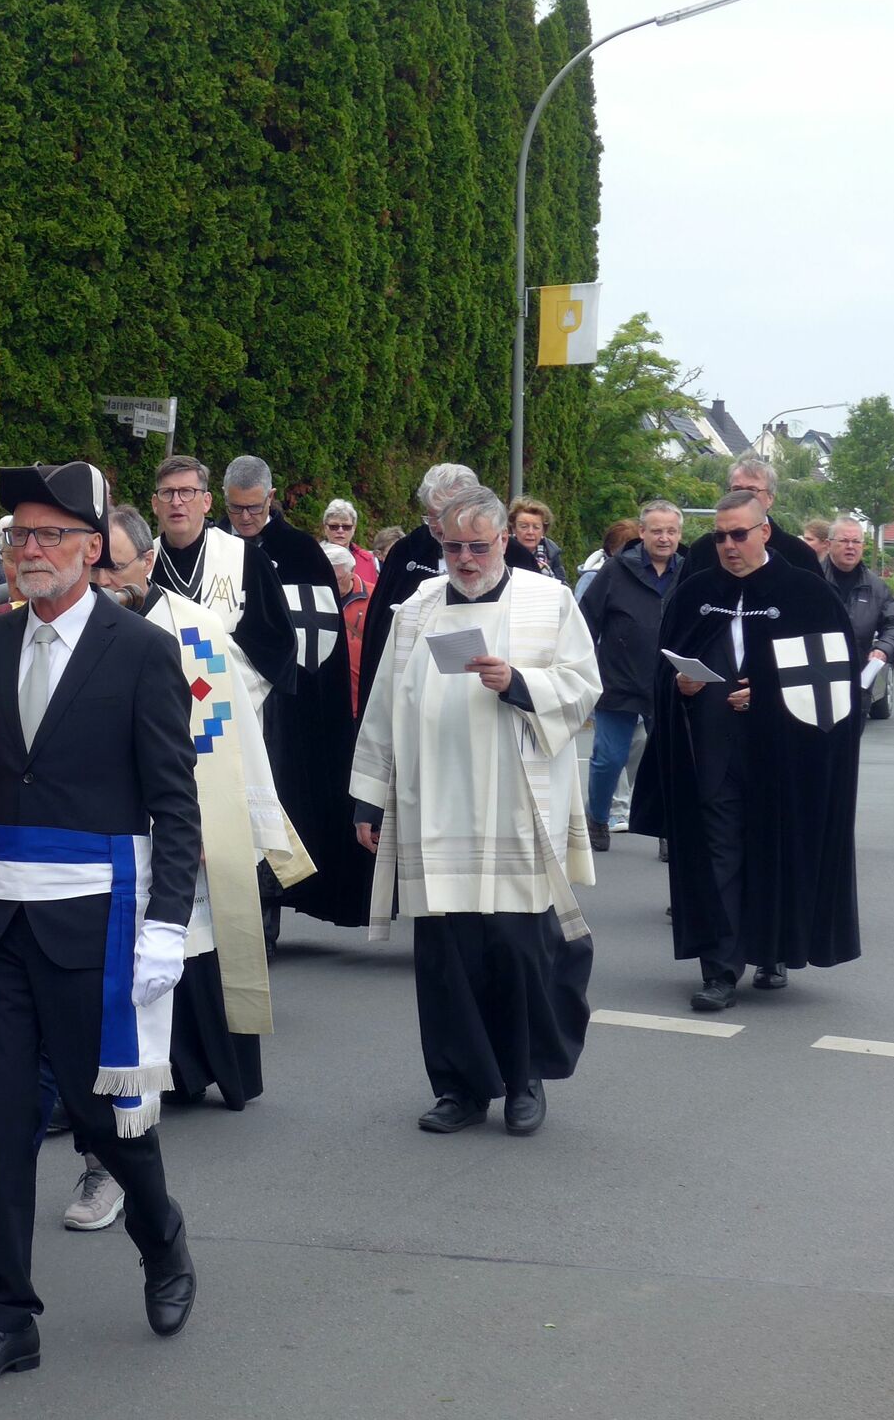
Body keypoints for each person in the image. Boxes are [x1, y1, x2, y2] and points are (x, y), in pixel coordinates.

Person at [0, 460, 202, 1387]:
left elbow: (174, 802)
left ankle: (160, 1235)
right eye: (18, 535)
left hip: (96, 921)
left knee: (103, 1115)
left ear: (90, 549)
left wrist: (167, 923)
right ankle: (9, 1316)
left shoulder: (139, 650)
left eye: (48, 535)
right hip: (0, 919)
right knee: (2, 1115)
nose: (29, 550)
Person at [350, 487, 599, 1137]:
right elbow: (384, 702)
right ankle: (459, 1086)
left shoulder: (549, 601)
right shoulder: (417, 609)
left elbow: (583, 686)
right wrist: (369, 794)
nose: (464, 559)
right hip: (435, 805)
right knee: (446, 957)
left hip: (515, 804)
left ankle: (524, 1080)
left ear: (504, 542)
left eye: (478, 547)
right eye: (453, 546)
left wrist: (519, 682)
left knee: (518, 950)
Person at [631, 491, 863, 1011]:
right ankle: (719, 969)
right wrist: (680, 686)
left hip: (784, 757)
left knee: (773, 851)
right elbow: (663, 672)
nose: (729, 545)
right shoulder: (697, 593)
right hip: (712, 753)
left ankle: (772, 952)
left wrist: (771, 696)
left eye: (738, 534)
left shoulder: (806, 593)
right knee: (718, 856)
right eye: (719, 536)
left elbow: (834, 683)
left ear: (764, 532)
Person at [100, 504, 294, 1110]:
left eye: (115, 566)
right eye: (93, 566)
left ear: (148, 561)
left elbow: (227, 732)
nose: (103, 579)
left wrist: (218, 820)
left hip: (181, 810)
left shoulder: (195, 629)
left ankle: (199, 1068)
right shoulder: (73, 627)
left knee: (194, 942)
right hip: (103, 817)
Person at [222, 454, 369, 936]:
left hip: (285, 704)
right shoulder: (214, 548)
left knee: (278, 797)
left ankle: (268, 908)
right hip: (223, 695)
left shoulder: (302, 552)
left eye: (254, 507)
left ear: (270, 497)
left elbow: (319, 635)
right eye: (236, 508)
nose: (246, 517)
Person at [149, 454, 295, 715]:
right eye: (167, 493)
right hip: (157, 708)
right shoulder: (143, 563)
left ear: (206, 501)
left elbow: (278, 644)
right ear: (155, 504)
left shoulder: (247, 559)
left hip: (226, 712)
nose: (176, 501)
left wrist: (213, 680)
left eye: (187, 492)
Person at [578, 501, 684, 851]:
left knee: (670, 760)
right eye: (657, 531)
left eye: (671, 531)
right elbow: (585, 623)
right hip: (619, 680)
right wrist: (584, 671)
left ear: (679, 534)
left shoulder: (689, 572)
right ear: (642, 533)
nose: (664, 538)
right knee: (609, 758)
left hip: (670, 684)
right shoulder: (615, 570)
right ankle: (597, 818)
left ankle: (668, 829)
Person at [355, 463, 480, 712]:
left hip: (477, 688)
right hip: (415, 687)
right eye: (431, 516)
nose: (438, 526)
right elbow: (380, 628)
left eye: (446, 515)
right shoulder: (407, 552)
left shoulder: (503, 553)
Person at [678, 457, 823, 580]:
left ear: (770, 499)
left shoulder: (798, 554)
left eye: (752, 490)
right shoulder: (703, 550)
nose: (743, 497)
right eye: (737, 490)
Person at [825, 517, 894, 721]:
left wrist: (884, 648)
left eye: (856, 542)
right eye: (844, 541)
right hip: (817, 681)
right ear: (829, 544)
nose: (850, 547)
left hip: (858, 685)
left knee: (849, 740)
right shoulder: (809, 580)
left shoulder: (875, 587)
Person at [330, 542, 372, 711]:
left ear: (353, 571)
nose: (330, 583)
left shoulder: (374, 597)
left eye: (338, 579)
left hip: (362, 695)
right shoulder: (313, 595)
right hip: (327, 694)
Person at [573, 519, 639, 601]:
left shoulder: (643, 576)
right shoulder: (592, 577)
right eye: (626, 549)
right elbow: (581, 607)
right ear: (611, 549)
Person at [322, 497, 379, 590]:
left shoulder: (367, 560)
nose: (340, 531)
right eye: (334, 526)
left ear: (354, 528)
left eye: (346, 527)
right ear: (325, 528)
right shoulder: (313, 558)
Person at [509, 497, 569, 584]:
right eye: (524, 527)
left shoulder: (552, 553)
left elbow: (562, 585)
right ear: (514, 529)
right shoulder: (503, 551)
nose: (530, 532)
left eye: (536, 527)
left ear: (543, 530)